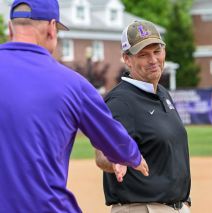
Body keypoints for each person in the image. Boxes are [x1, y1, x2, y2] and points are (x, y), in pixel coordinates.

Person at [0, 0, 149, 212]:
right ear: (52, 29)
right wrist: (133, 156)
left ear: (9, 28)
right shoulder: (72, 84)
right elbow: (113, 140)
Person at [95, 20, 191, 213]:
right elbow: (102, 154)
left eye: (157, 51)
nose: (153, 60)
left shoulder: (162, 93)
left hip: (173, 207)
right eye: (143, 55)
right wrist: (117, 158)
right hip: (142, 208)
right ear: (127, 59)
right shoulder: (121, 101)